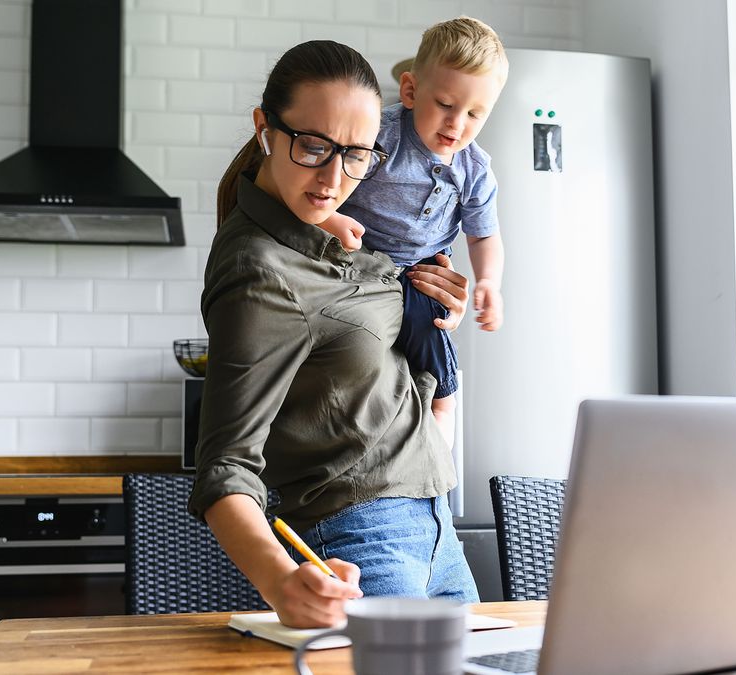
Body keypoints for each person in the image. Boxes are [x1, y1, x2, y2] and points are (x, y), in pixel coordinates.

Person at [188, 40, 480, 629]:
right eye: (313, 146)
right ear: (265, 129)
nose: (333, 177)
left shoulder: (342, 233)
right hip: (361, 540)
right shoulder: (260, 271)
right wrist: (278, 580)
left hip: (438, 531)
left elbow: (372, 363)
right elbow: (225, 463)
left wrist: (436, 304)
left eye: (357, 155)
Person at [318, 17, 508, 444]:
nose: (457, 124)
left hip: (421, 271)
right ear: (410, 90)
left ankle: (439, 444)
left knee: (435, 354)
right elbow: (324, 188)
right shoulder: (379, 134)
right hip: (354, 256)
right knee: (358, 351)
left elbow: (483, 235)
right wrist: (333, 220)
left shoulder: (475, 169)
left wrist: (489, 283)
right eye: (445, 104)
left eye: (475, 114)